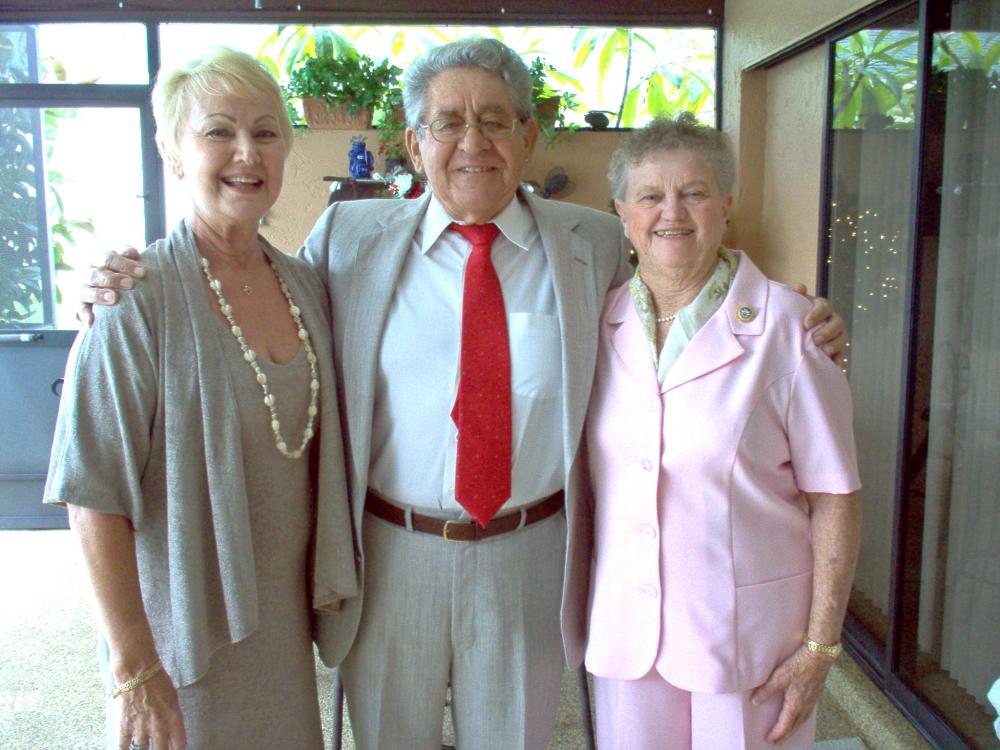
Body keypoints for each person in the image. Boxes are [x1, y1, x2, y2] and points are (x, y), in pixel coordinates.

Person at [79, 38, 847, 750]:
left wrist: (795, 317)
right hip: (389, 556)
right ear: (415, 144)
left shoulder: (592, 244)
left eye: (494, 121)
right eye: (447, 122)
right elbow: (250, 283)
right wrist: (108, 284)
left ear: (528, 136)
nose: (471, 142)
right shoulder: (348, 240)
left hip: (530, 556)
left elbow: (677, 277)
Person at [45, 47, 358, 750]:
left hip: (280, 632)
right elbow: (91, 496)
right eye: (219, 131)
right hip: (179, 639)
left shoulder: (306, 286)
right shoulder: (134, 301)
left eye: (266, 132)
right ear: (173, 152)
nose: (247, 153)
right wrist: (133, 669)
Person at [583, 115, 862, 750]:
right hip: (629, 634)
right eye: (650, 196)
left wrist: (820, 647)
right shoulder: (597, 321)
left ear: (726, 204)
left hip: (751, 641)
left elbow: (836, 497)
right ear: (622, 212)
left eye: (695, 192)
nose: (671, 212)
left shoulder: (790, 327)